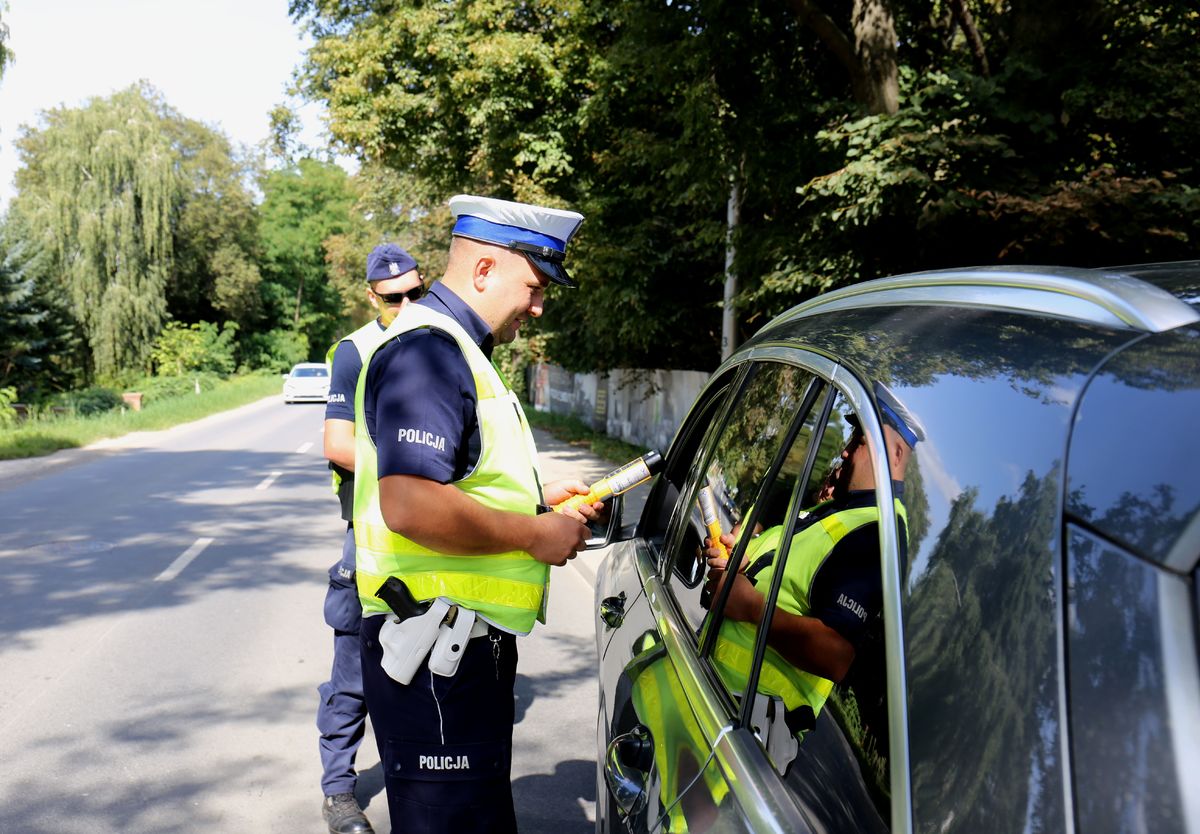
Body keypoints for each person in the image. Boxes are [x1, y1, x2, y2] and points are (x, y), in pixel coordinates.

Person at [351, 195, 601, 834]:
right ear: (485, 270)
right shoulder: (430, 353)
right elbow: (408, 503)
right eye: (535, 286)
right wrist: (534, 533)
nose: (540, 306)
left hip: (452, 649)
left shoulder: (456, 350)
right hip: (435, 651)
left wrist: (538, 504)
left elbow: (457, 481)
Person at [704, 384, 924, 755]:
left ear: (897, 452)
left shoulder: (876, 531)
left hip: (753, 726)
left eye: (859, 440)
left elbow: (836, 654)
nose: (844, 450)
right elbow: (791, 581)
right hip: (729, 705)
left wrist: (751, 607)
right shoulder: (842, 513)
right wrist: (746, 565)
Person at [318, 243, 424, 834]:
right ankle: (339, 793)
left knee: (423, 665)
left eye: (416, 292)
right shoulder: (355, 352)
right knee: (354, 673)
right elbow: (336, 445)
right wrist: (418, 460)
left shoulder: (442, 342)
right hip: (372, 532)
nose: (406, 305)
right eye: (392, 298)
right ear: (371, 298)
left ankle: (420, 781)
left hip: (433, 534)